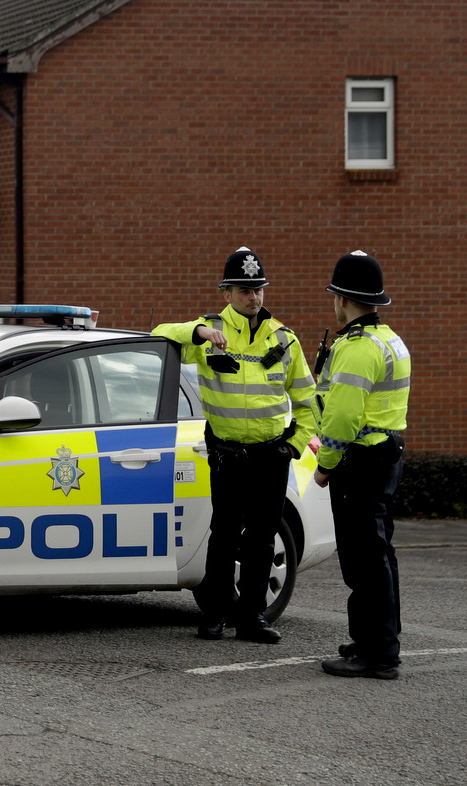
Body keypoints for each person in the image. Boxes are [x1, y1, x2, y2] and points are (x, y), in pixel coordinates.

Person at [152, 247, 316, 643]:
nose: (253, 297)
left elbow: (309, 402)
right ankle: (214, 615)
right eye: (244, 290)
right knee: (224, 535)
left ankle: (252, 618)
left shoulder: (285, 339)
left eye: (258, 289)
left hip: (272, 454)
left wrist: (292, 446)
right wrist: (200, 332)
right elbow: (158, 334)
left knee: (262, 538)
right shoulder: (208, 332)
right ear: (225, 293)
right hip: (227, 454)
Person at [313, 250, 410, 680]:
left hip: (361, 461)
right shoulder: (391, 340)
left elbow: (341, 419)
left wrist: (325, 465)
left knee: (363, 560)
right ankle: (377, 639)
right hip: (385, 455)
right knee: (379, 554)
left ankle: (377, 654)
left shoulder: (355, 350)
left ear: (342, 299)